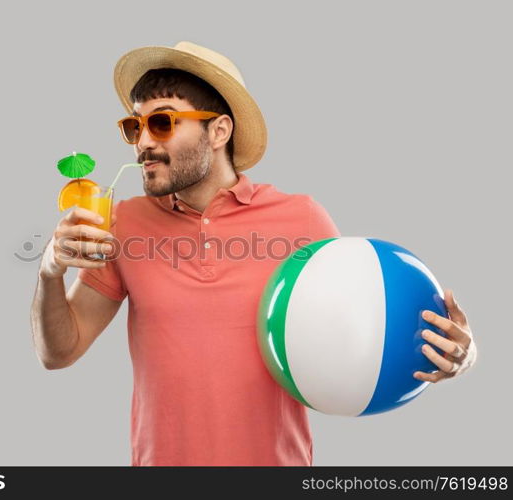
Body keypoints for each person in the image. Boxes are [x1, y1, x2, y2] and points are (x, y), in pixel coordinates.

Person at [31, 41, 477, 466]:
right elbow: (59, 352)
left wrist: (461, 356)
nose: (142, 142)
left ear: (219, 130)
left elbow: (367, 321)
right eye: (135, 126)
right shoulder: (123, 223)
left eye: (162, 123)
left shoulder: (301, 219)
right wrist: (50, 270)